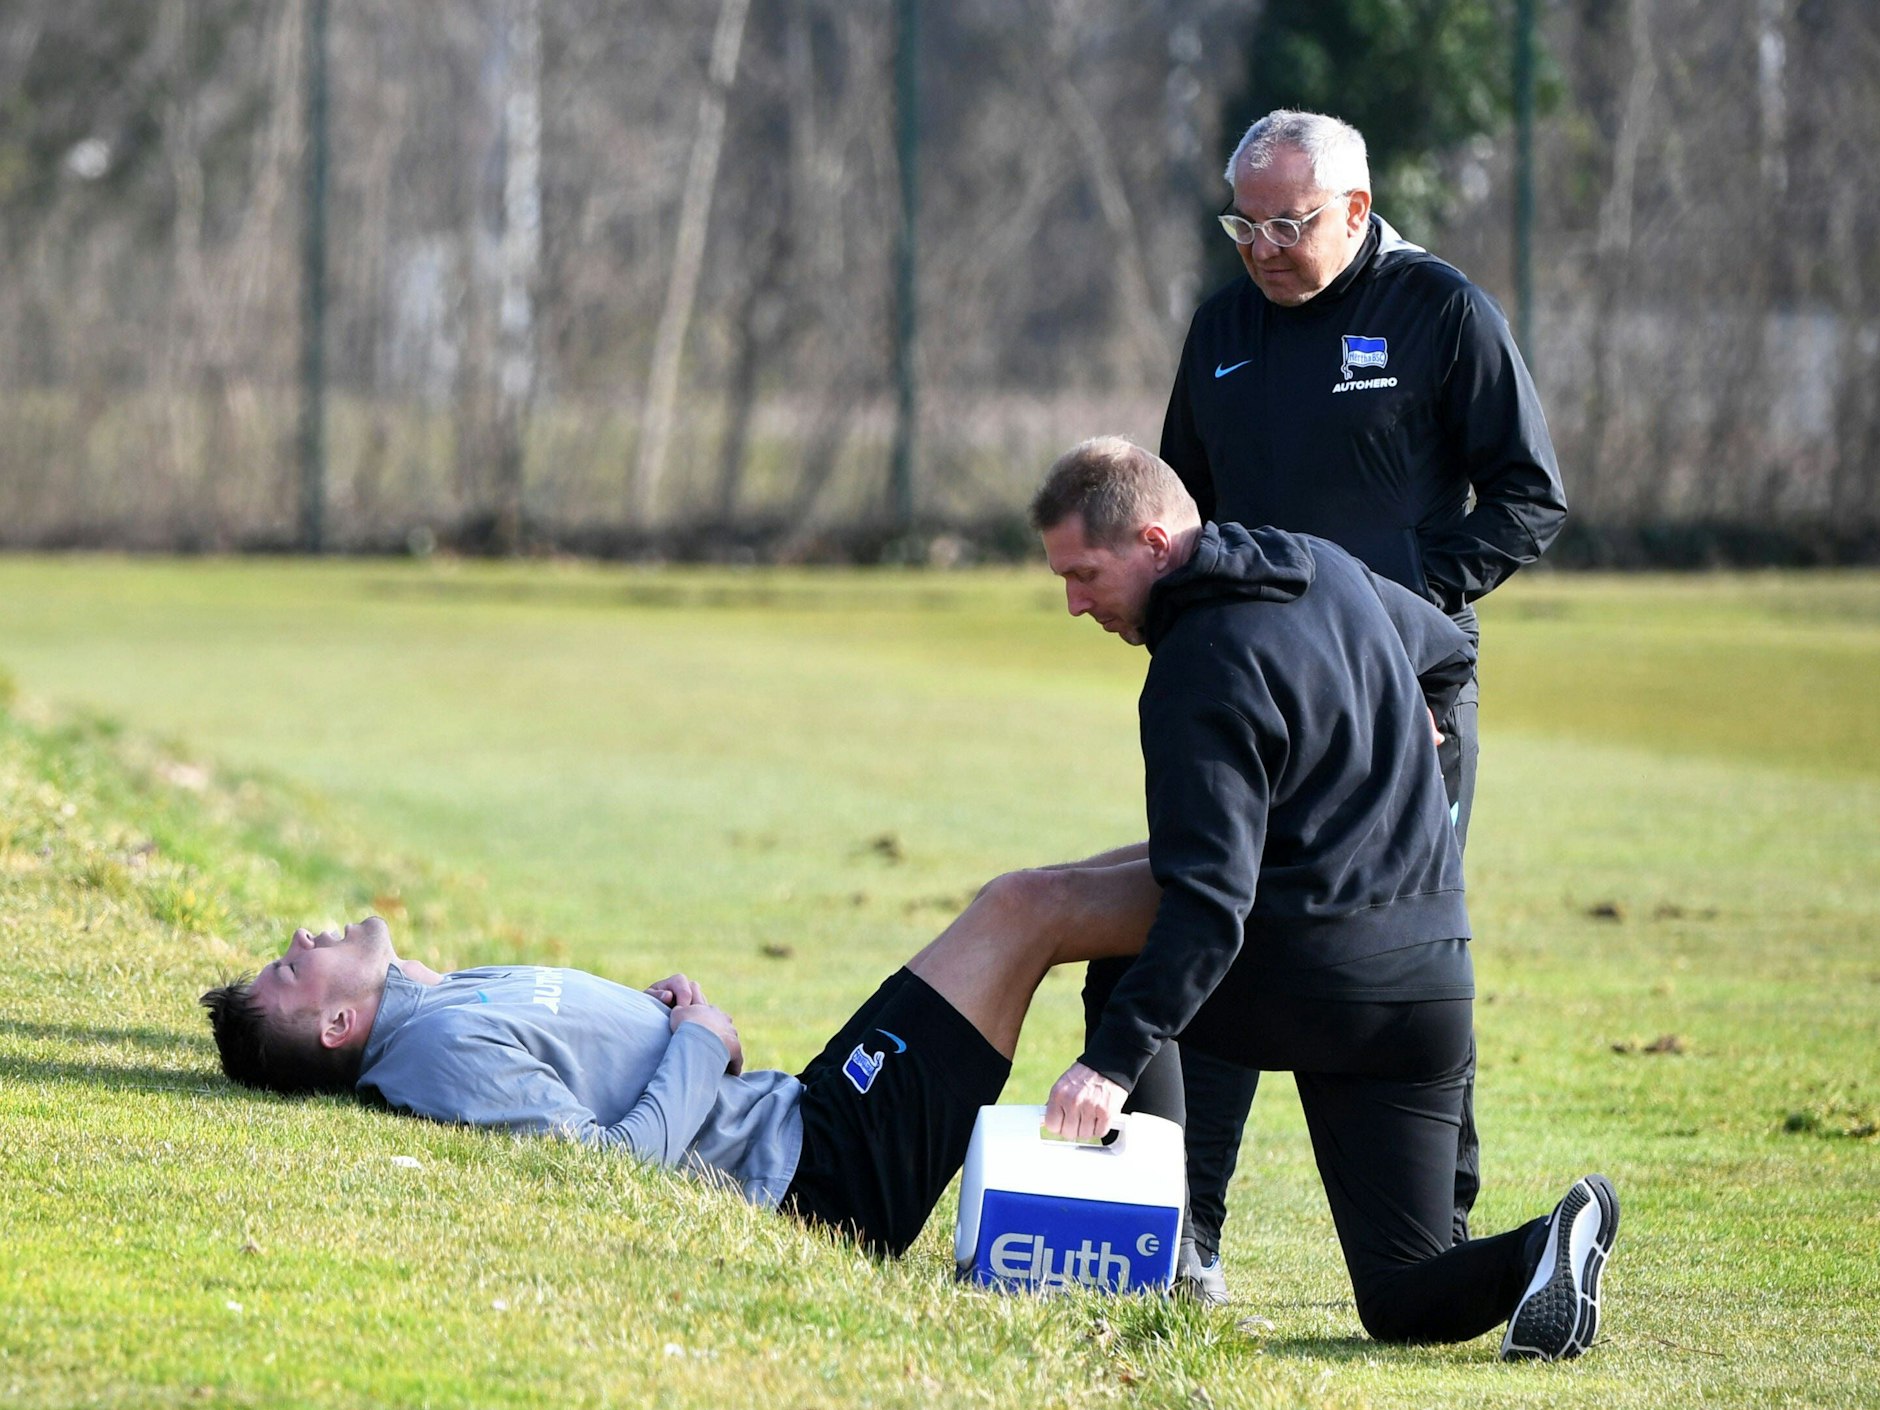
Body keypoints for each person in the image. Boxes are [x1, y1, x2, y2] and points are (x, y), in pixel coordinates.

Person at [1085, 108, 1572, 1291]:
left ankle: (1444, 1239)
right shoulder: (1218, 331)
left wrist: (1385, 611)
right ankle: (1182, 1236)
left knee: (1406, 940)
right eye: (1241, 221)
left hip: (1404, 706)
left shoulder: (1438, 313)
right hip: (1247, 704)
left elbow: (1528, 497)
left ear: (1356, 211)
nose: (1259, 243)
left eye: (1286, 223)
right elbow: (1178, 517)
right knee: (1208, 915)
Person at [1031, 436, 1613, 1358]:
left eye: (1084, 574)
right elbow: (1453, 645)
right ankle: (1548, 1246)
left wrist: (1106, 1065)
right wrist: (1427, 729)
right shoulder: (1326, 568)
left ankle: (1170, 1262)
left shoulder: (1193, 669)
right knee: (1400, 1297)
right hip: (1429, 989)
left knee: (1127, 956)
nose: (1073, 602)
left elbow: (1209, 902)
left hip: (1315, 981)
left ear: (1151, 542)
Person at [198, 871, 1158, 1261]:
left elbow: (585, 1059)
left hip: (797, 1113)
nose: (297, 935)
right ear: (333, 1025)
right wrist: (696, 1040)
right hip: (823, 1177)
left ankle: (1238, 868)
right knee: (1026, 914)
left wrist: (663, 1023)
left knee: (1031, 903)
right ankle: (1257, 891)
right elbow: (615, 1165)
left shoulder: (435, 1000)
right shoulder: (438, 1056)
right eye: (290, 967)